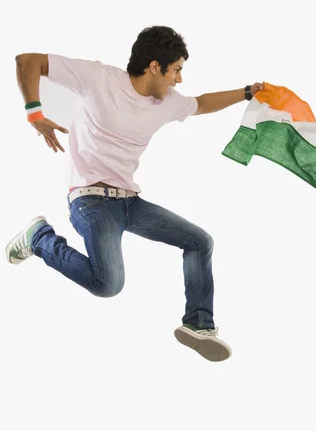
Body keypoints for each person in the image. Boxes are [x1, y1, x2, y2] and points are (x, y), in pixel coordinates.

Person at [6, 25, 264, 362]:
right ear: (155, 66)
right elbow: (28, 62)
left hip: (130, 202)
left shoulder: (167, 102)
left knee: (200, 241)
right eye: (176, 70)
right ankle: (40, 239)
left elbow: (200, 104)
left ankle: (198, 325)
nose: (179, 80)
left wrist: (247, 92)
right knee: (107, 284)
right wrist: (34, 114)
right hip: (90, 200)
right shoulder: (99, 78)